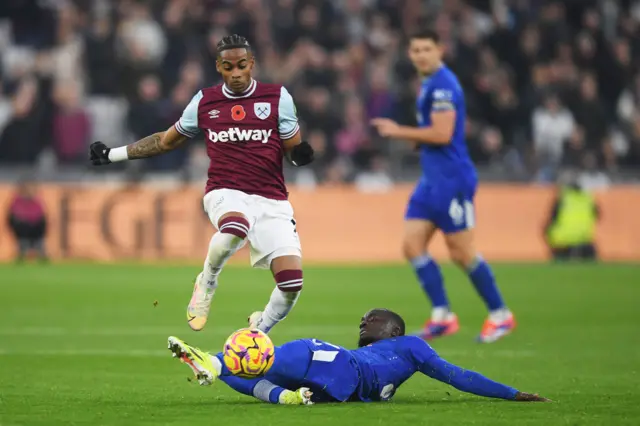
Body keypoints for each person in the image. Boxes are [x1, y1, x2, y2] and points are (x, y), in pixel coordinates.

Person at [89, 35, 314, 333]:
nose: (235, 74)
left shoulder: (277, 98)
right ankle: (207, 280)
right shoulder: (205, 101)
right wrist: (112, 155)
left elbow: (292, 151)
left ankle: (257, 332)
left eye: (242, 66)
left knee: (291, 284)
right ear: (219, 67)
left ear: (252, 65)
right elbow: (166, 141)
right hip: (225, 192)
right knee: (236, 228)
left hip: (271, 199)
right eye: (228, 67)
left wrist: (300, 156)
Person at [371, 29, 515, 343]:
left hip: (453, 180)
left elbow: (442, 134)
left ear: (441, 50)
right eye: (415, 49)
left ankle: (501, 314)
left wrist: (400, 132)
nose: (420, 55)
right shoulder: (429, 84)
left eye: (426, 48)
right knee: (412, 246)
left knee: (462, 253)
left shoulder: (443, 87)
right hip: (431, 181)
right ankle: (443, 315)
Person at [167, 309, 550, 405]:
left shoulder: (410, 346)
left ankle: (216, 361)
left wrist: (511, 393)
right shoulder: (384, 352)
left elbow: (458, 376)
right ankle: (280, 395)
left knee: (295, 349)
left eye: (374, 317)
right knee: (255, 378)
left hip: (348, 371)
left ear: (394, 330)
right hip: (339, 389)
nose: (366, 320)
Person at [544, 172, 599, 261]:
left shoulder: (563, 198)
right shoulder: (588, 197)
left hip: (562, 243)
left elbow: (553, 218)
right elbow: (598, 216)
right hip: (584, 241)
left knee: (547, 230)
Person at [7, 180, 48, 263]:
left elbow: (40, 215)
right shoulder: (17, 201)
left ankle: (40, 252)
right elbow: (14, 215)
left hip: (36, 227)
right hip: (21, 227)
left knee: (39, 228)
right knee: (22, 228)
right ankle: (22, 252)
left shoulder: (36, 201)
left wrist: (33, 222)